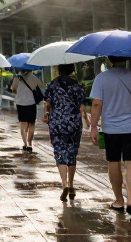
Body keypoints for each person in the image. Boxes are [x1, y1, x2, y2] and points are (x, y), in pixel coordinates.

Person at [89, 57, 131, 219]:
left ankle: (119, 200)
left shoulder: (101, 78)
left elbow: (96, 104)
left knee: (113, 162)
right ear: (126, 58)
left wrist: (93, 126)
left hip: (111, 129)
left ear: (109, 60)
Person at [42, 63, 88, 201]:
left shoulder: (52, 85)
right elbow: (82, 105)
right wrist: (87, 121)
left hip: (57, 123)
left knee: (60, 152)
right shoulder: (77, 86)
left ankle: (64, 184)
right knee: (72, 153)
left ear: (59, 70)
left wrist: (47, 113)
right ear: (72, 70)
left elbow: (48, 104)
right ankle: (72, 184)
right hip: (74, 122)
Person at [10, 68, 43, 152]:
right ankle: (29, 144)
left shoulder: (17, 78)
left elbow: (13, 90)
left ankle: (24, 143)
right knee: (31, 124)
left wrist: (18, 91)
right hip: (31, 103)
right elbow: (41, 86)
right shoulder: (34, 78)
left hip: (20, 104)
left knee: (22, 124)